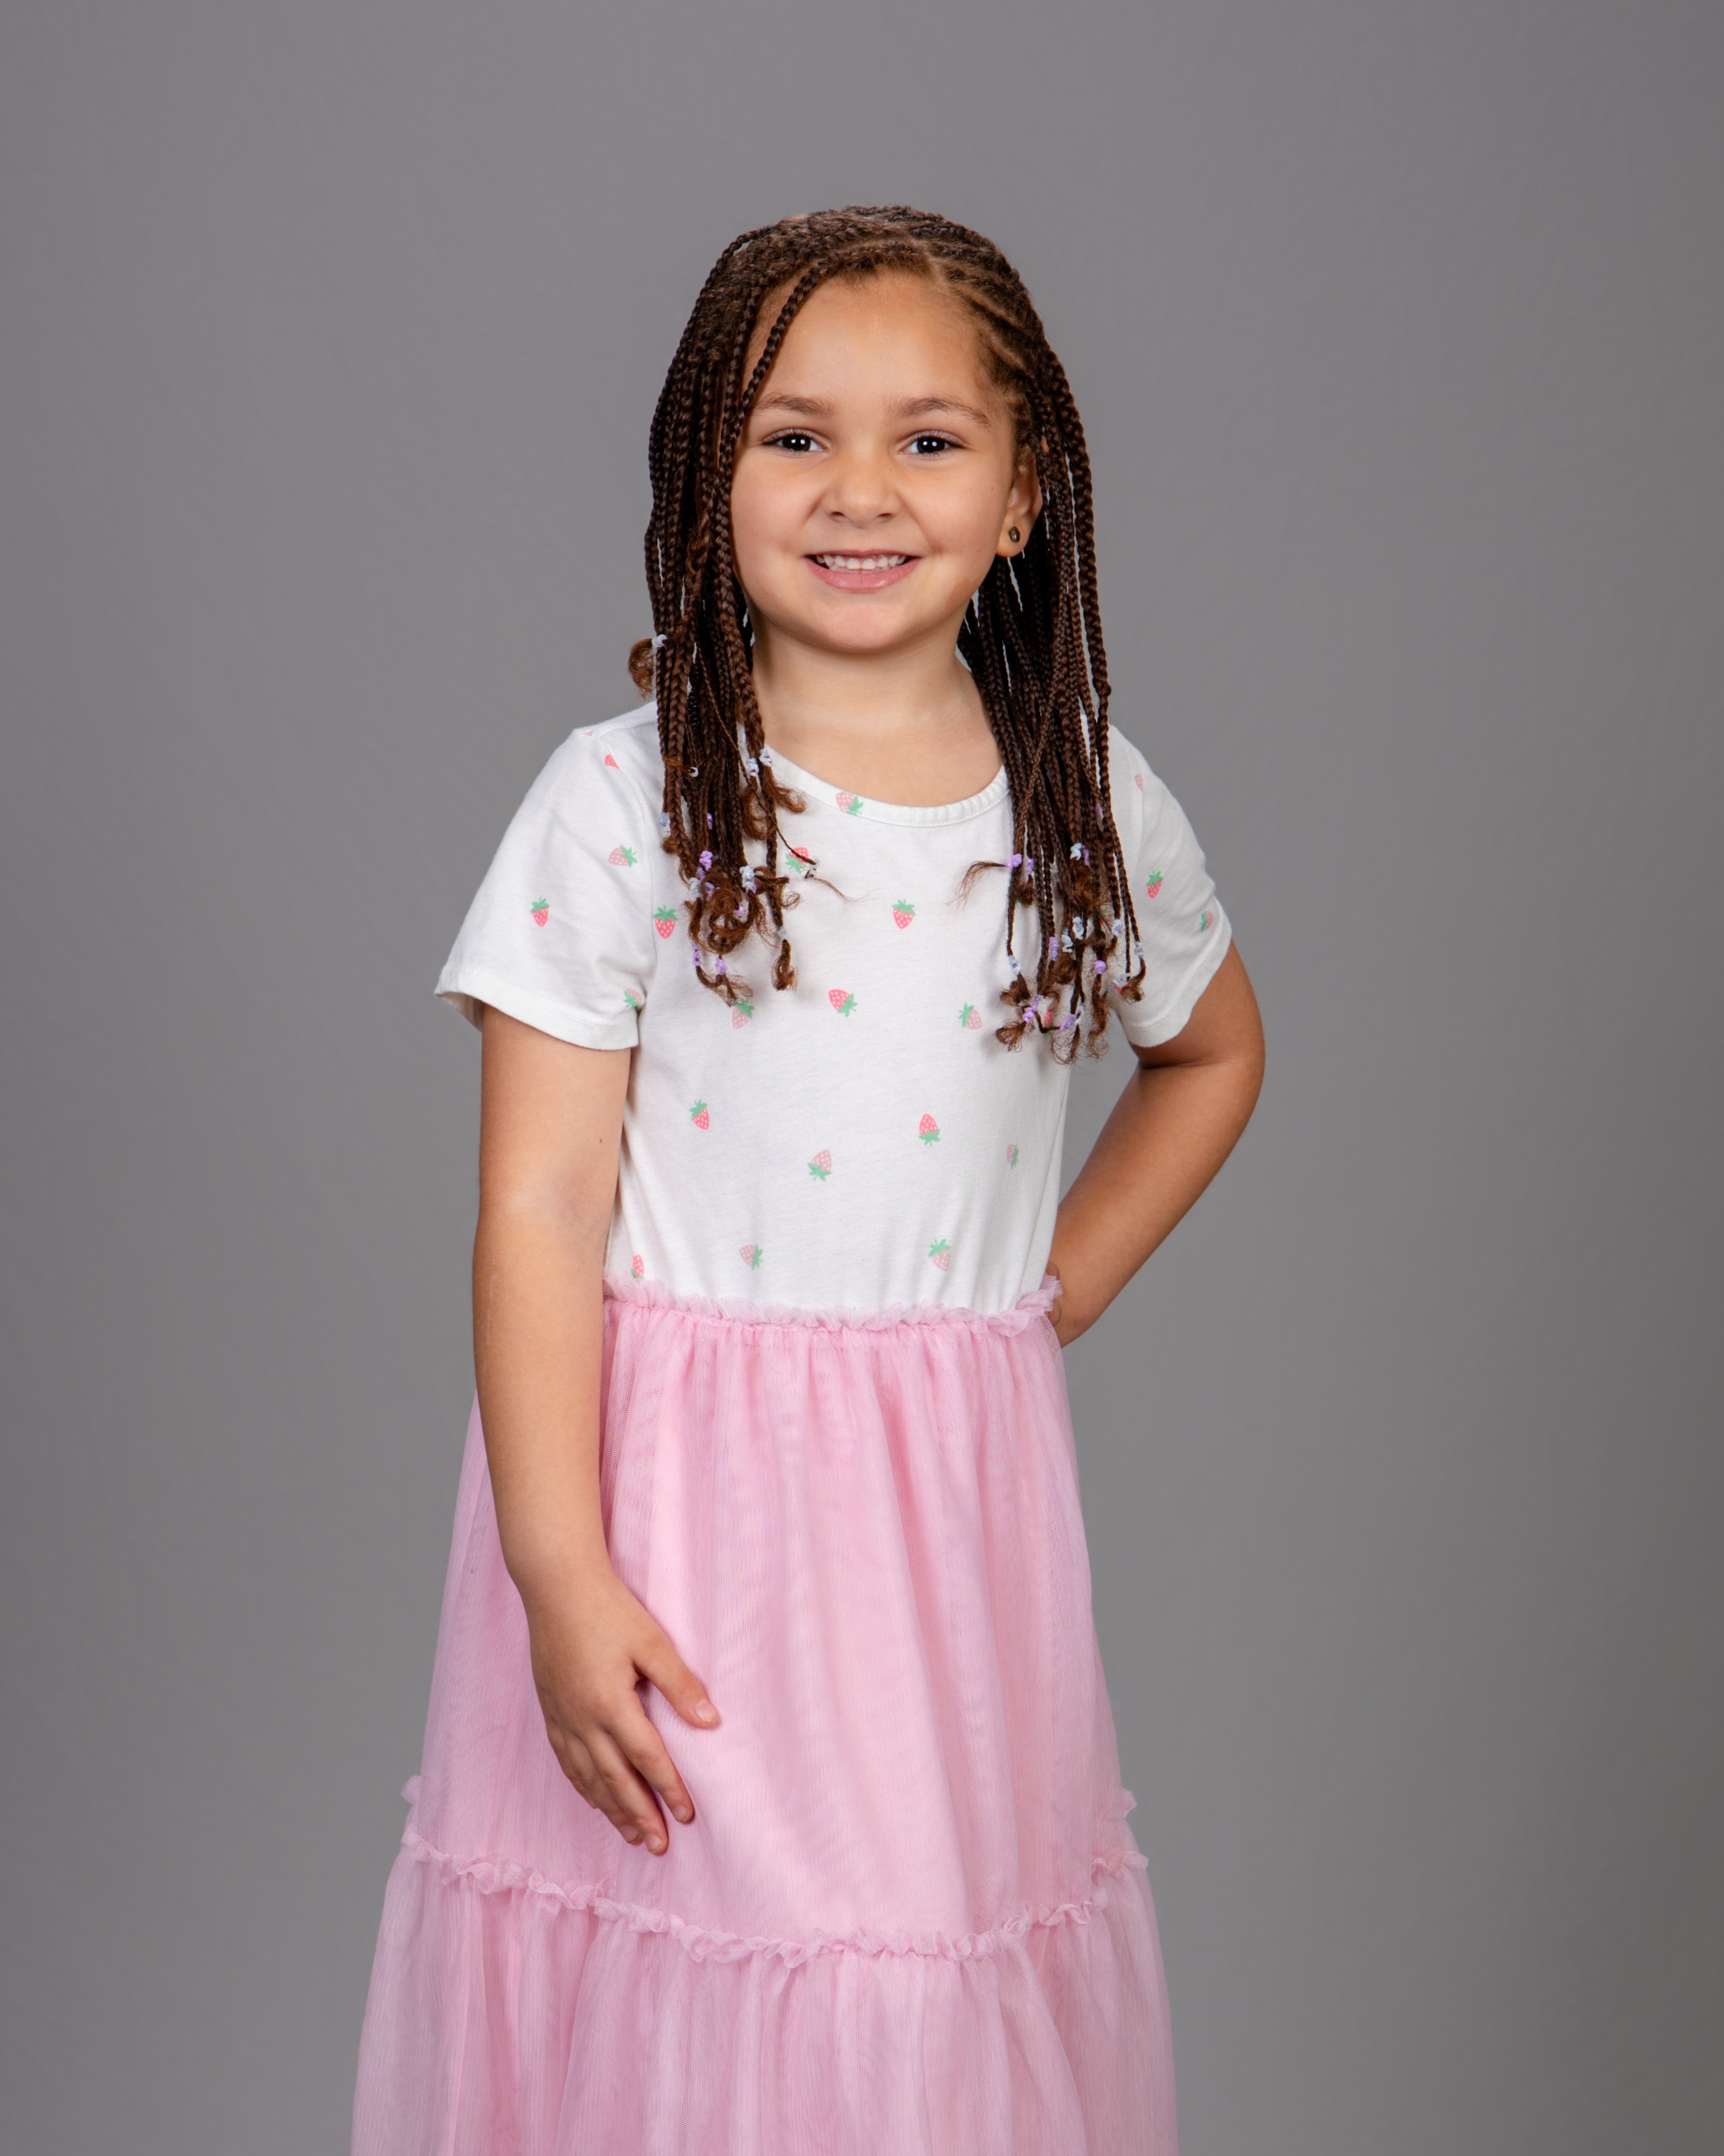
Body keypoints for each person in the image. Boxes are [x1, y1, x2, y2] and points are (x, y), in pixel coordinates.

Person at [352, 206, 1265, 2155]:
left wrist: (1049, 1287)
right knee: (694, 1978)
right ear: (712, 477)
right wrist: (557, 1568)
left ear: (1025, 493)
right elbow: (537, 1209)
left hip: (948, 1529)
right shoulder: (622, 803)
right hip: (669, 1512)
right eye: (794, 436)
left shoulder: (1084, 798)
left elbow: (1212, 1050)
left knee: (907, 1995)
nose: (863, 488)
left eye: (929, 439)